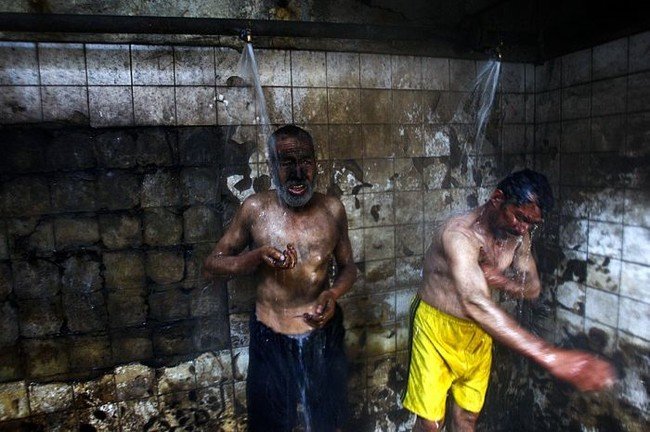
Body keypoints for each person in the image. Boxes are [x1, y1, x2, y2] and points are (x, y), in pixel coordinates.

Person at [402, 169, 616, 432]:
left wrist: (501, 281)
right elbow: (475, 302)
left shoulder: (519, 237)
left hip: (478, 332)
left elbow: (533, 288)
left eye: (531, 224)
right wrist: (550, 356)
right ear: (497, 198)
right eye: (520, 217)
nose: (523, 228)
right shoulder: (458, 236)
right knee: (430, 425)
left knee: (467, 418)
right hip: (435, 327)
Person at [203, 125, 357, 432]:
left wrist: (333, 294)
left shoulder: (332, 210)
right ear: (272, 167)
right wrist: (254, 257)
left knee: (330, 422)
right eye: (287, 163)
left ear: (316, 163)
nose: (298, 173)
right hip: (271, 338)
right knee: (270, 425)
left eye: (306, 162)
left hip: (323, 336)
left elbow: (349, 267)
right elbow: (211, 266)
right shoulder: (255, 209)